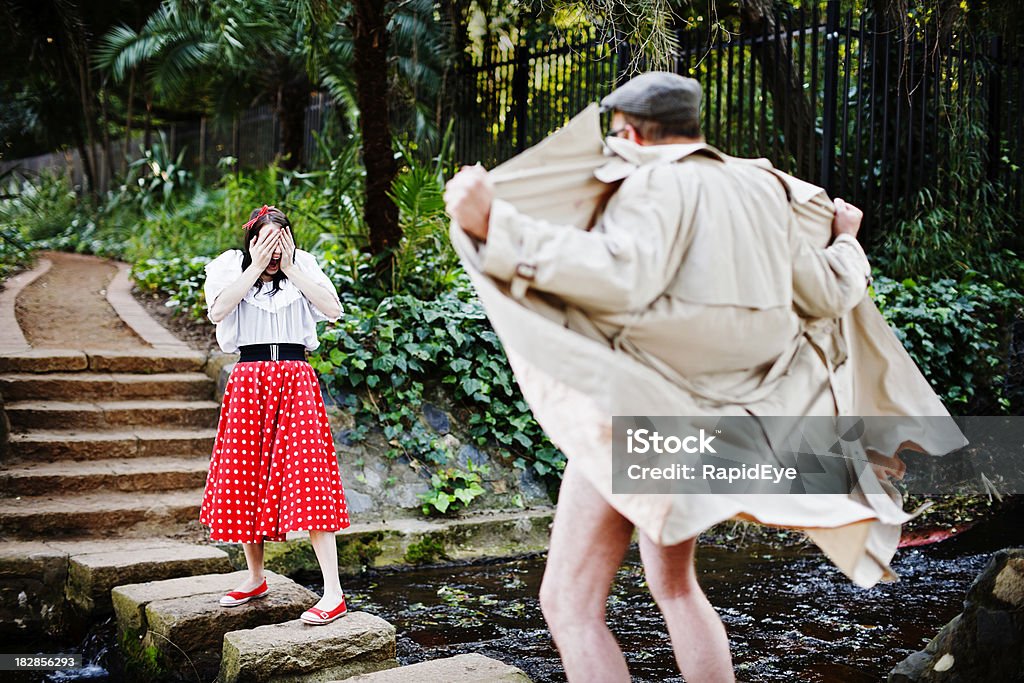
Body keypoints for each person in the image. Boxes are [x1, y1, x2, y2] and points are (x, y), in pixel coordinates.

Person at [444, 72, 949, 681]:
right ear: (691, 126)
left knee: (570, 605)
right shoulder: (761, 189)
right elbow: (828, 291)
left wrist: (496, 224)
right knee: (676, 587)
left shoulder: (654, 180)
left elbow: (617, 275)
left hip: (641, 414)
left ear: (629, 132)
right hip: (722, 426)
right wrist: (845, 240)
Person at [200, 204, 350, 625]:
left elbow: (333, 309)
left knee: (310, 478)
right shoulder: (230, 268)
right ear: (250, 242)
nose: (274, 253)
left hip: (295, 377)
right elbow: (217, 311)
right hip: (248, 378)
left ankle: (334, 593)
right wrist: (256, 264)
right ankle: (254, 577)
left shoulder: (304, 268)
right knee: (243, 476)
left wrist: (293, 263)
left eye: (279, 243)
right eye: (264, 242)